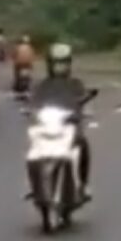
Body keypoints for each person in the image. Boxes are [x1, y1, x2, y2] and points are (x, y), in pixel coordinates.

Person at [29, 41, 92, 201]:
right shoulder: (42, 85)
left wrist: (82, 112)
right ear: (49, 64)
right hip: (48, 127)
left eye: (62, 64)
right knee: (33, 154)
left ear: (68, 64)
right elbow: (33, 101)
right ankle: (35, 187)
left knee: (83, 145)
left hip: (69, 127)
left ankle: (83, 185)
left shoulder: (75, 84)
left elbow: (83, 100)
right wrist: (30, 110)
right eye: (56, 64)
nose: (59, 67)